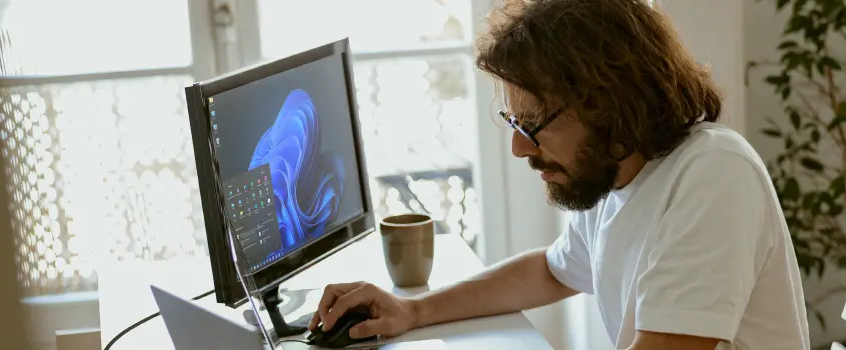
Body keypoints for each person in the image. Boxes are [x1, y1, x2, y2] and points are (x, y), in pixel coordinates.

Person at [309, 0, 811, 348]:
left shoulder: (713, 176)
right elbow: (551, 270)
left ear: (611, 104)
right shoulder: (616, 175)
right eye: (513, 122)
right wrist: (410, 311)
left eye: (532, 124)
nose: (516, 147)